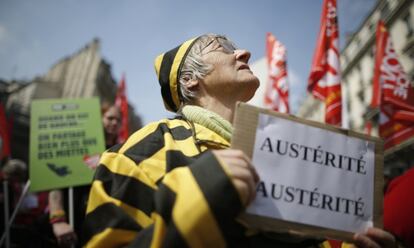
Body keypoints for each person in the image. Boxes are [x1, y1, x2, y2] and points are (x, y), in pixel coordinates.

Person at [82, 34, 396, 248]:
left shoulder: (285, 153)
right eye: (222, 47)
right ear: (190, 79)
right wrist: (193, 213)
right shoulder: (143, 150)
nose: (243, 52)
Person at [48, 104, 122, 248]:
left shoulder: (120, 151)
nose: (114, 123)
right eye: (110, 118)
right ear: (99, 118)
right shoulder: (77, 144)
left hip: (99, 224)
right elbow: (55, 181)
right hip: (70, 218)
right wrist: (58, 221)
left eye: (118, 120)